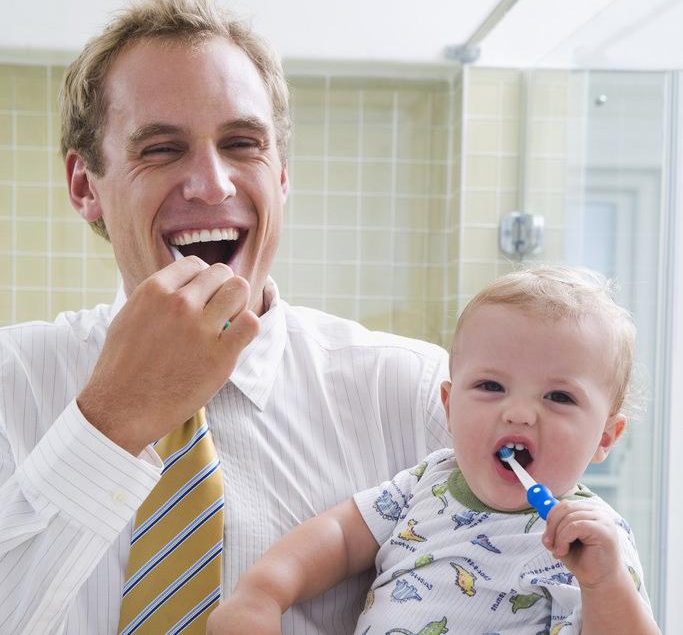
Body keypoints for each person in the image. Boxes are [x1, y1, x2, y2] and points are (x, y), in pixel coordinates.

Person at [0, 0, 449, 633]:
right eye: (161, 148)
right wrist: (111, 421)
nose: (213, 184)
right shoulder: (8, 382)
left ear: (282, 175)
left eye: (242, 143)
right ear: (84, 185)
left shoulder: (418, 396)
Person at [207, 267, 661, 635]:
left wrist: (604, 583)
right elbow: (341, 538)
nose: (519, 413)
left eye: (559, 397)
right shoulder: (429, 481)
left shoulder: (591, 543)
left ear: (605, 437)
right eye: (491, 386)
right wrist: (263, 593)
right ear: (448, 407)